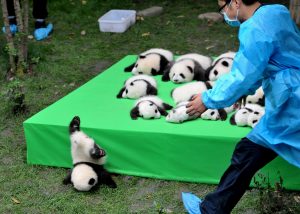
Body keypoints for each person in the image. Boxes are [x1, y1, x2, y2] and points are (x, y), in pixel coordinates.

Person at [182, 0, 300, 213]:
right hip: (291, 96)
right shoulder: (277, 12)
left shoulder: (254, 28)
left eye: (223, 7)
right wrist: (243, 91)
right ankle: (212, 209)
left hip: (291, 103)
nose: (224, 13)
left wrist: (208, 99)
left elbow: (244, 74)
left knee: (248, 153)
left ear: (235, 2)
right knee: (249, 152)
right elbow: (269, 60)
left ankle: (211, 210)